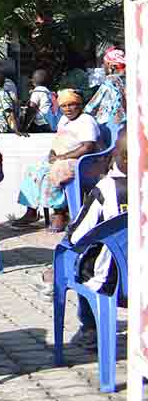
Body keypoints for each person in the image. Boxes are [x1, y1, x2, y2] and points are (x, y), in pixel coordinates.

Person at [51, 128, 128, 347]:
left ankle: (91, 328)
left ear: (120, 157)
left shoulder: (106, 189)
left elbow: (77, 236)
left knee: (81, 266)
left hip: (113, 282)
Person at [14, 89, 102, 231]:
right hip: (61, 158)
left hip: (81, 161)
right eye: (64, 106)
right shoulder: (63, 120)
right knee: (33, 170)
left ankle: (60, 213)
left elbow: (88, 147)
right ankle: (31, 211)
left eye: (71, 105)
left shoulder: (86, 121)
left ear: (80, 105)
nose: (67, 109)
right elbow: (59, 141)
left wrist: (63, 157)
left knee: (55, 172)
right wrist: (52, 153)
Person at [85, 47, 126, 127]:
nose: (103, 67)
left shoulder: (110, 81)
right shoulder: (127, 80)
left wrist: (84, 112)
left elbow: (95, 101)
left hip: (107, 121)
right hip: (123, 119)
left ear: (110, 66)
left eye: (104, 64)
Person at [25, 69, 57, 133]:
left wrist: (26, 123)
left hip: (41, 123)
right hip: (49, 121)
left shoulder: (37, 90)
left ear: (33, 81)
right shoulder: (48, 91)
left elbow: (32, 106)